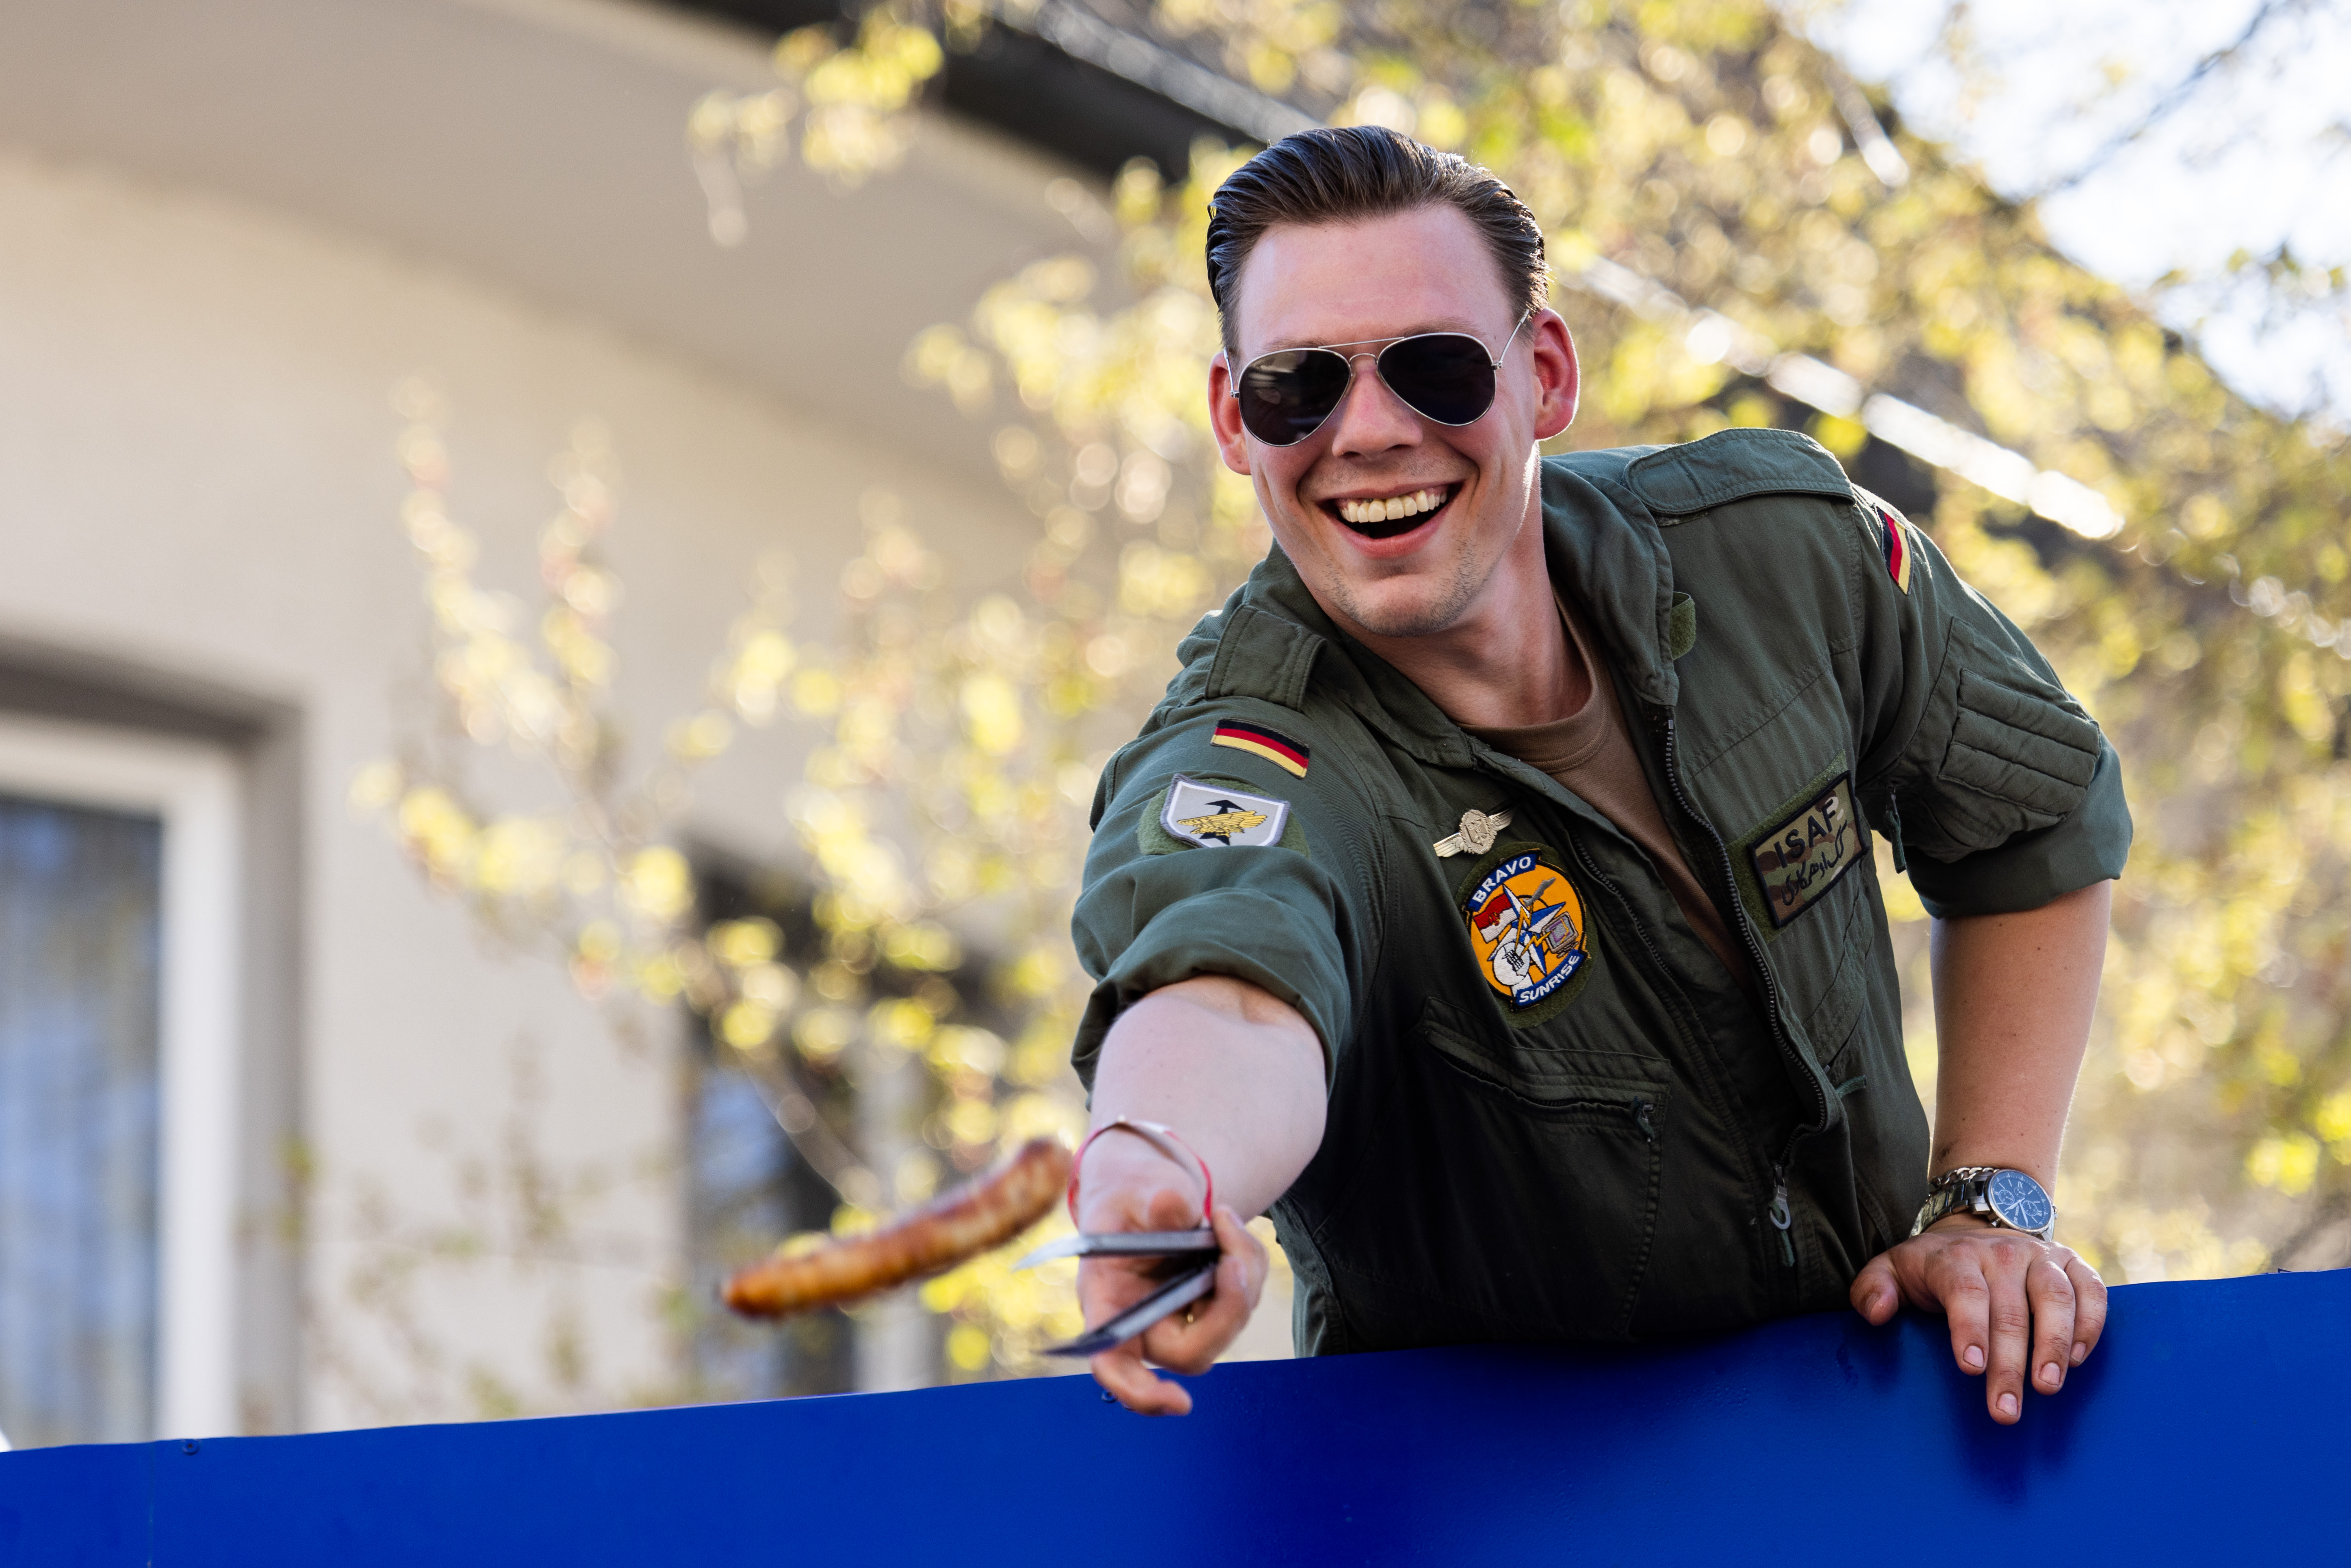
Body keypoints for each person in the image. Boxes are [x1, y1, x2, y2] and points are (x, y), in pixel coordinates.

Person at [1066, 126, 2130, 1425]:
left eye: (1436, 367)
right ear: (1237, 421)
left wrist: (1986, 1208)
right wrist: (1163, 1168)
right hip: (1501, 1495)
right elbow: (1229, 997)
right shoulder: (1250, 765)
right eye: (1300, 386)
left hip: (1894, 1426)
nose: (1370, 431)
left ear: (1546, 374)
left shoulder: (1782, 557)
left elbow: (2031, 818)